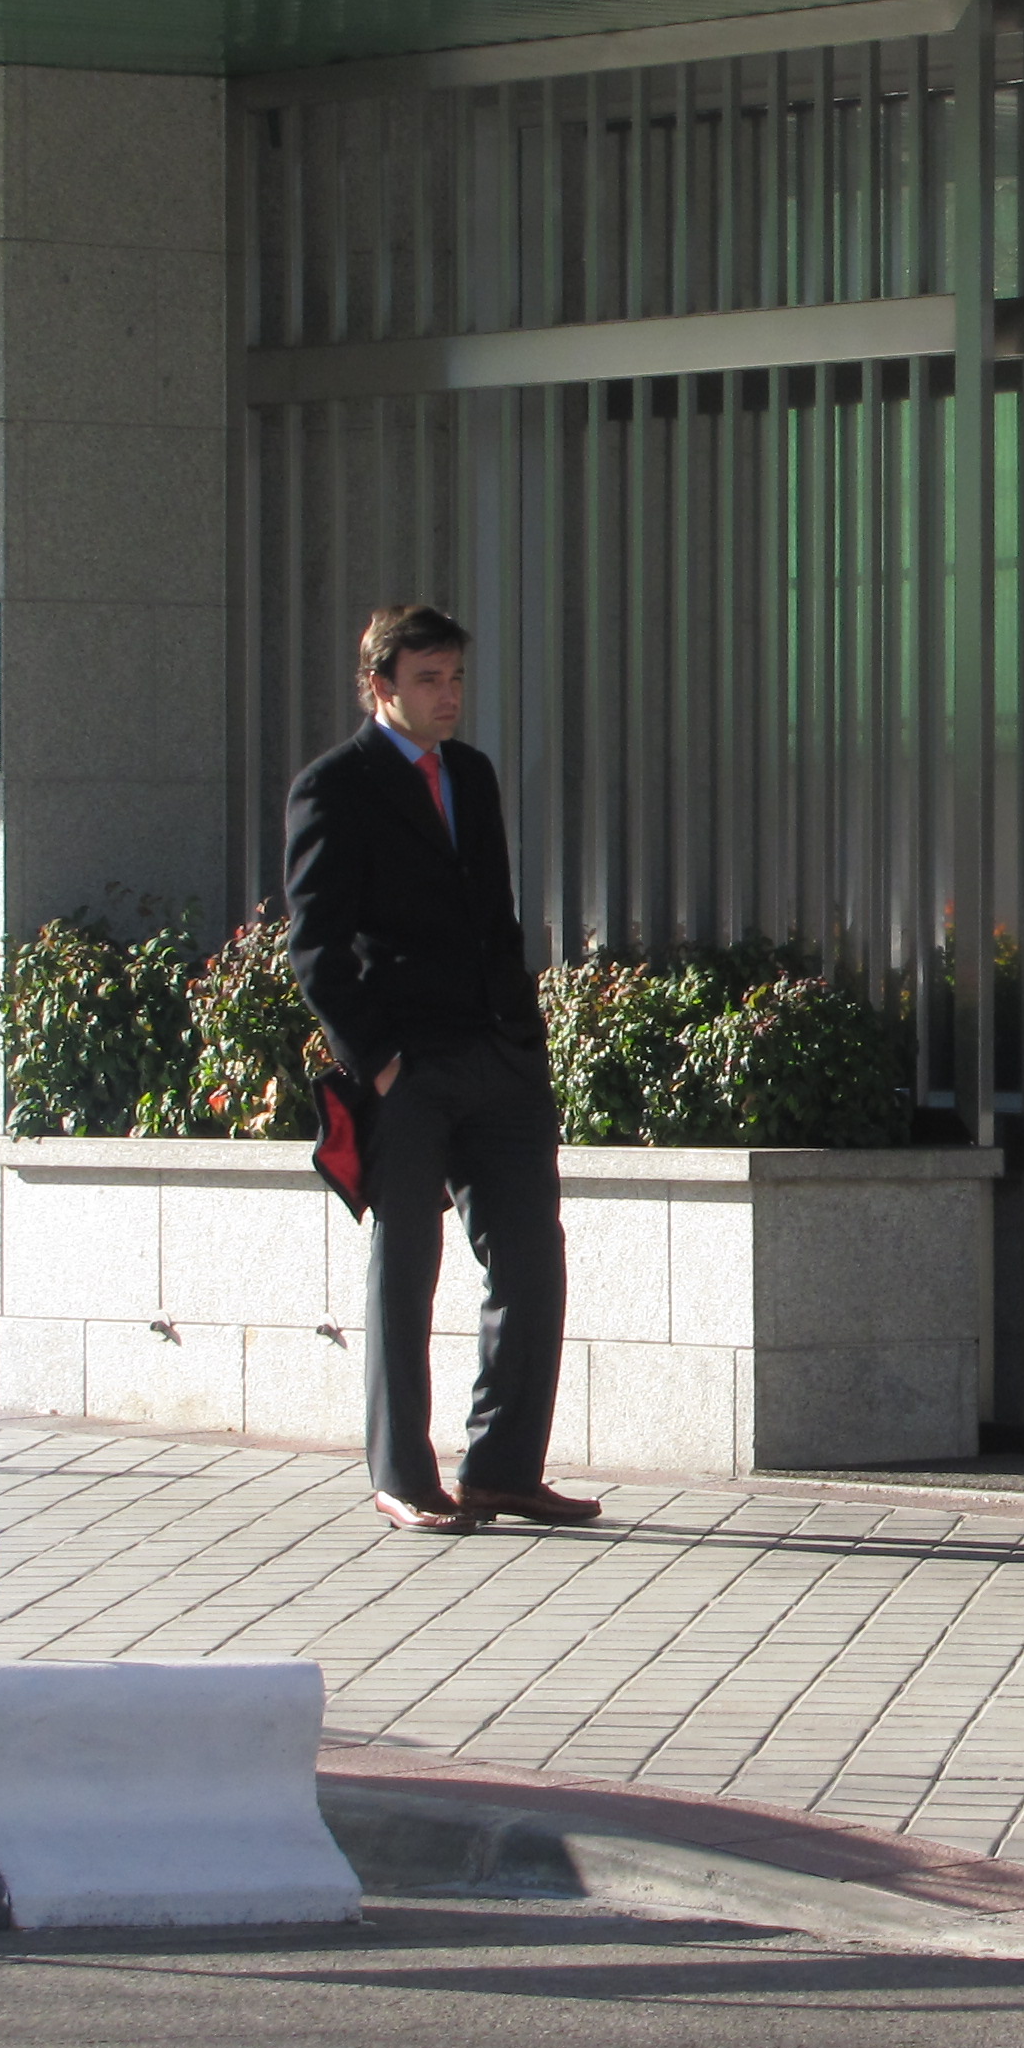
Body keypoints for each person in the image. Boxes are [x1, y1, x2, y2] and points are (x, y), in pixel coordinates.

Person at [283, 603, 595, 1537]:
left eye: (455, 678)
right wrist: (377, 1065)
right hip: (408, 1067)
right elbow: (315, 945)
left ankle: (502, 1470)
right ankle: (406, 1477)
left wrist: (524, 1031)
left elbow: (494, 914)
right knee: (405, 1269)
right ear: (381, 687)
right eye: (427, 680)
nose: (448, 695)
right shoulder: (333, 786)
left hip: (499, 1054)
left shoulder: (472, 774)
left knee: (532, 1262)